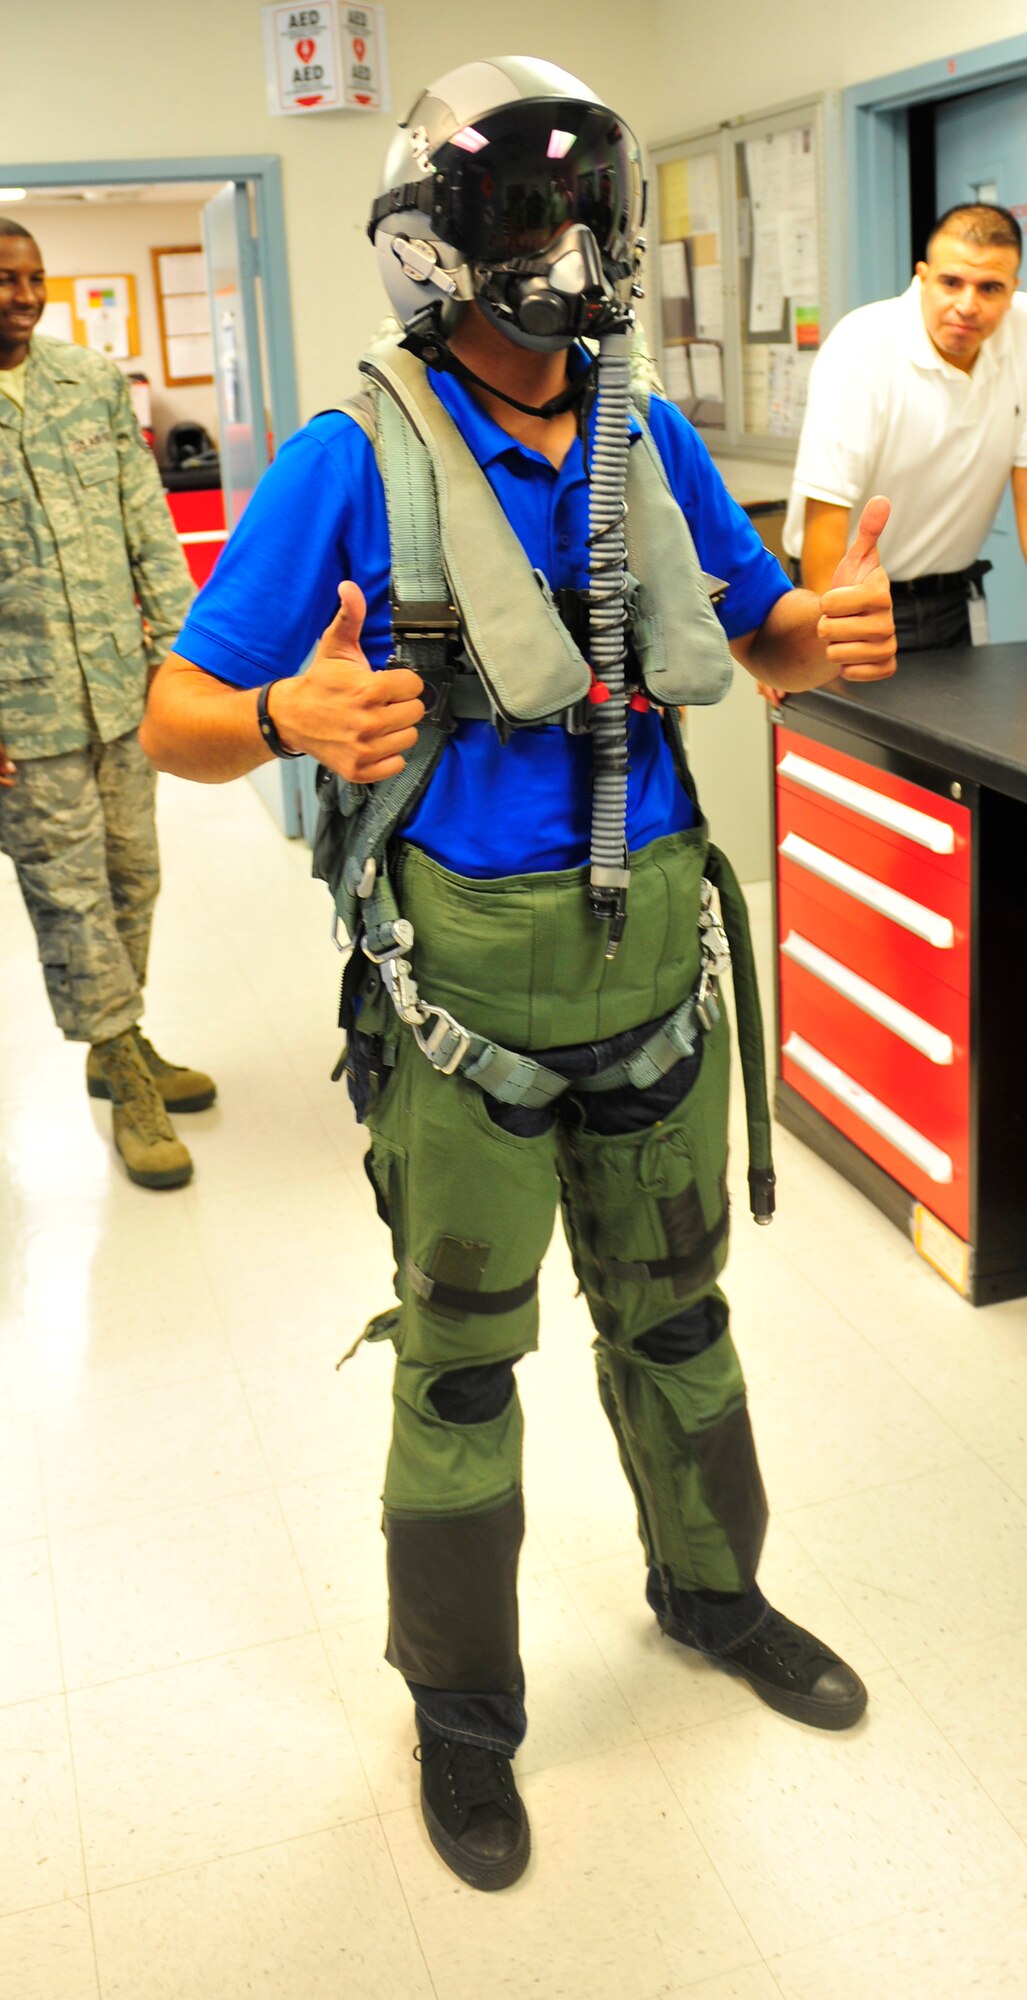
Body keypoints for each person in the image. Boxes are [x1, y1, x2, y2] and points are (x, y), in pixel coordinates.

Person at [141, 57, 896, 1892]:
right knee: (462, 1368)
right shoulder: (350, 458)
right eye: (522, 222)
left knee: (683, 1322)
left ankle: (713, 1599)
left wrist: (819, 631)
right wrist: (280, 714)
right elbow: (172, 717)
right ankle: (464, 1721)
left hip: (653, 957)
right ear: (441, 246)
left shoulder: (649, 435)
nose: (559, 257)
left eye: (580, 218)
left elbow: (755, 630)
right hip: (459, 995)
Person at [0, 220, 215, 1189]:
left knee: (134, 872)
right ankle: (123, 1070)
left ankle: (115, 1037)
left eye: (33, 277)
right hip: (22, 716)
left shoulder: (87, 382)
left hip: (121, 693)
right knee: (70, 893)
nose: (22, 294)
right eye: (5, 279)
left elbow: (150, 529)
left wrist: (182, 659)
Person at [783, 201, 1027, 650]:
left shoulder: (1023, 335)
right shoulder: (863, 345)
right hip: (854, 600)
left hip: (956, 599)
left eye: (990, 288)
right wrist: (816, 643)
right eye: (951, 282)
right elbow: (826, 517)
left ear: (1012, 291)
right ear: (923, 276)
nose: (967, 305)